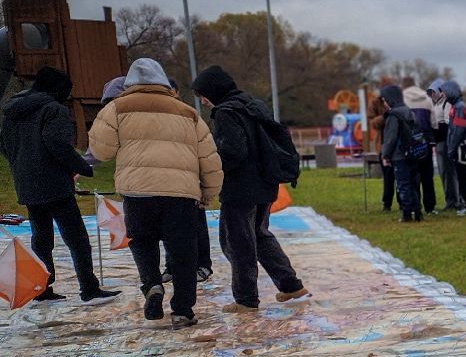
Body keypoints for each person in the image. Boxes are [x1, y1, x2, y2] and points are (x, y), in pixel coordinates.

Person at [87, 58, 222, 327]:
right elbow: (208, 157)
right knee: (183, 252)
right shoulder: (187, 113)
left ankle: (152, 285)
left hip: (137, 192)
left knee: (142, 241)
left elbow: (101, 150)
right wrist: (209, 191)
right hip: (180, 194)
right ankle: (183, 310)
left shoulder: (117, 108)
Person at [193, 66, 310, 312]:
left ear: (214, 90)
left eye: (203, 95)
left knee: (237, 243)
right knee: (259, 235)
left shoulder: (226, 112)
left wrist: (211, 165)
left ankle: (246, 299)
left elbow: (233, 151)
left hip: (240, 188)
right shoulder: (253, 105)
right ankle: (291, 286)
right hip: (266, 182)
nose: (203, 101)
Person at [0, 66, 118, 303]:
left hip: (27, 184)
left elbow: (3, 144)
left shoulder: (13, 111)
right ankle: (89, 288)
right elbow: (57, 143)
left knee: (41, 238)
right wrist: (82, 167)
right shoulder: (54, 109)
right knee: (77, 239)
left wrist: (20, 164)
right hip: (54, 184)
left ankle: (42, 289)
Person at [378, 84, 424, 222]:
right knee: (413, 184)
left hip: (399, 155)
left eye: (385, 100)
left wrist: (385, 155)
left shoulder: (393, 115)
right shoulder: (409, 111)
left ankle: (407, 214)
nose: (384, 103)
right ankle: (417, 212)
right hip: (413, 153)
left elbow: (390, 138)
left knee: (403, 185)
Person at [440, 81, 466, 215]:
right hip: (460, 147)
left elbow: (458, 130)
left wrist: (451, 148)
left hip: (460, 148)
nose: (443, 95)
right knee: (463, 177)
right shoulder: (457, 106)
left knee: (464, 178)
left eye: (444, 92)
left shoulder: (459, 107)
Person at [404, 85, 439, 214]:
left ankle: (415, 206)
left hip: (410, 141)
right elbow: (434, 123)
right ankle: (430, 207)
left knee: (412, 175)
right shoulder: (427, 100)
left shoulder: (404, 100)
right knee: (427, 176)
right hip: (426, 141)